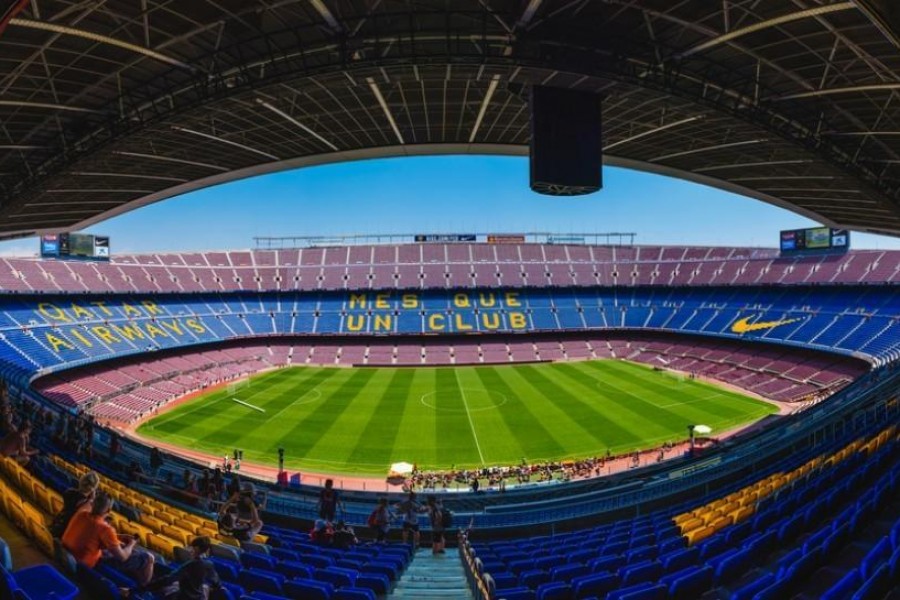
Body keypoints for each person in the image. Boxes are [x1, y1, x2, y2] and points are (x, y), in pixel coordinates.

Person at [62, 492, 155, 587]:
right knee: (148, 558)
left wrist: (118, 536)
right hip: (86, 565)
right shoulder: (105, 528)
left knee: (122, 548)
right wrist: (132, 543)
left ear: (93, 504)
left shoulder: (81, 514)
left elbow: (94, 533)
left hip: (73, 555)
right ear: (109, 510)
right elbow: (123, 557)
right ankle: (143, 589)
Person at [146, 536, 221, 600]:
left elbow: (169, 579)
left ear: (195, 549)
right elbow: (215, 581)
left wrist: (147, 587)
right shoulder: (209, 564)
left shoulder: (188, 565)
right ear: (207, 550)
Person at [50, 471, 100, 538]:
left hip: (57, 524)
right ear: (93, 489)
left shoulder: (69, 492)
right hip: (66, 533)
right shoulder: (88, 505)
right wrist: (91, 499)